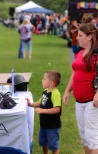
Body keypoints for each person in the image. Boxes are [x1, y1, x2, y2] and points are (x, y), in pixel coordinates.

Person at [63, 23, 98, 154]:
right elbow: (75, 73)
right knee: (84, 136)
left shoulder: (96, 54)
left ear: (89, 37)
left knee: (92, 137)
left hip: (92, 101)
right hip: (80, 101)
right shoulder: (80, 53)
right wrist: (67, 90)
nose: (77, 38)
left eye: (80, 35)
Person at [26, 70, 62, 154]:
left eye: (44, 79)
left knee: (53, 146)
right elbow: (40, 103)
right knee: (43, 143)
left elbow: (57, 109)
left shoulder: (55, 94)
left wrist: (42, 110)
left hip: (52, 127)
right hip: (44, 125)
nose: (42, 80)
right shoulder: (45, 92)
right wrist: (30, 104)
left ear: (51, 83)